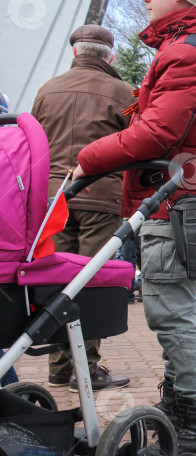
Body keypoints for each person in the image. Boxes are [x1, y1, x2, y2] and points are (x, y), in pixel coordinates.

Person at [74, 0, 196, 456]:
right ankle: (180, 404)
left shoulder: (188, 51)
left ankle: (193, 423)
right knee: (171, 310)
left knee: (171, 313)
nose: (145, 1)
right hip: (174, 195)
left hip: (171, 198)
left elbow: (156, 132)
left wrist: (87, 158)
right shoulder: (191, 46)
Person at [31, 24, 134, 392]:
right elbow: (137, 143)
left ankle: (59, 368)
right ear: (110, 56)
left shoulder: (47, 89)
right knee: (90, 281)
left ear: (75, 53)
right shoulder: (123, 92)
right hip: (100, 195)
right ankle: (84, 370)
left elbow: (34, 144)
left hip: (54, 197)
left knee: (57, 281)